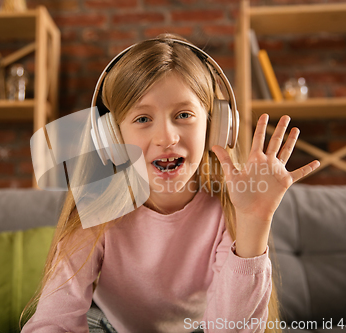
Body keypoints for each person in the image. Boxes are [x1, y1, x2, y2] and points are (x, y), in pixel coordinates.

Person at [20, 34, 319, 333]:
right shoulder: (98, 211)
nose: (166, 138)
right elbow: (51, 323)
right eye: (142, 119)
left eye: (184, 115)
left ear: (215, 127)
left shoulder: (227, 210)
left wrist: (254, 221)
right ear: (111, 137)